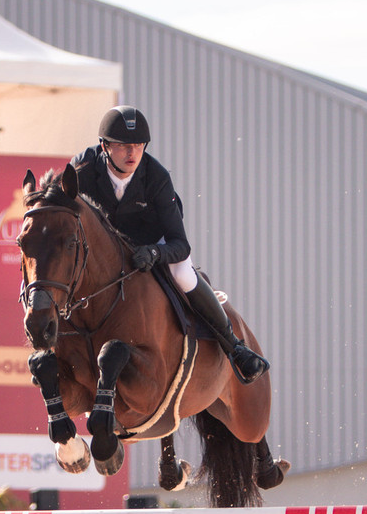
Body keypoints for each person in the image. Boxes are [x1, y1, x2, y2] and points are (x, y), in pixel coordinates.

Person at [70, 105, 270, 384]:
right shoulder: (82, 168)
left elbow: (181, 245)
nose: (132, 154)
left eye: (138, 145)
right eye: (124, 146)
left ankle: (234, 347)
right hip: (105, 250)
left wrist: (154, 252)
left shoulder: (156, 177)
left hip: (154, 243)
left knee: (182, 274)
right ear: (104, 146)